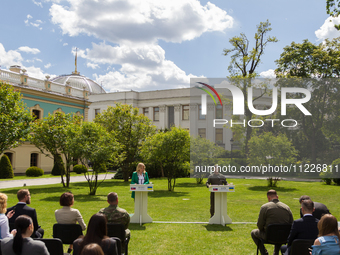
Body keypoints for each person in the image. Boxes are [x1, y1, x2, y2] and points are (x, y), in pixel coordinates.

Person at [251, 190, 293, 255]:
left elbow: (260, 225)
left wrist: (263, 229)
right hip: (284, 237)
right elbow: (291, 223)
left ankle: (264, 253)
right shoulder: (287, 207)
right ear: (277, 197)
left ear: (268, 197)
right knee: (279, 230)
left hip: (268, 236)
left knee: (253, 233)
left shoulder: (265, 207)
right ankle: (275, 253)